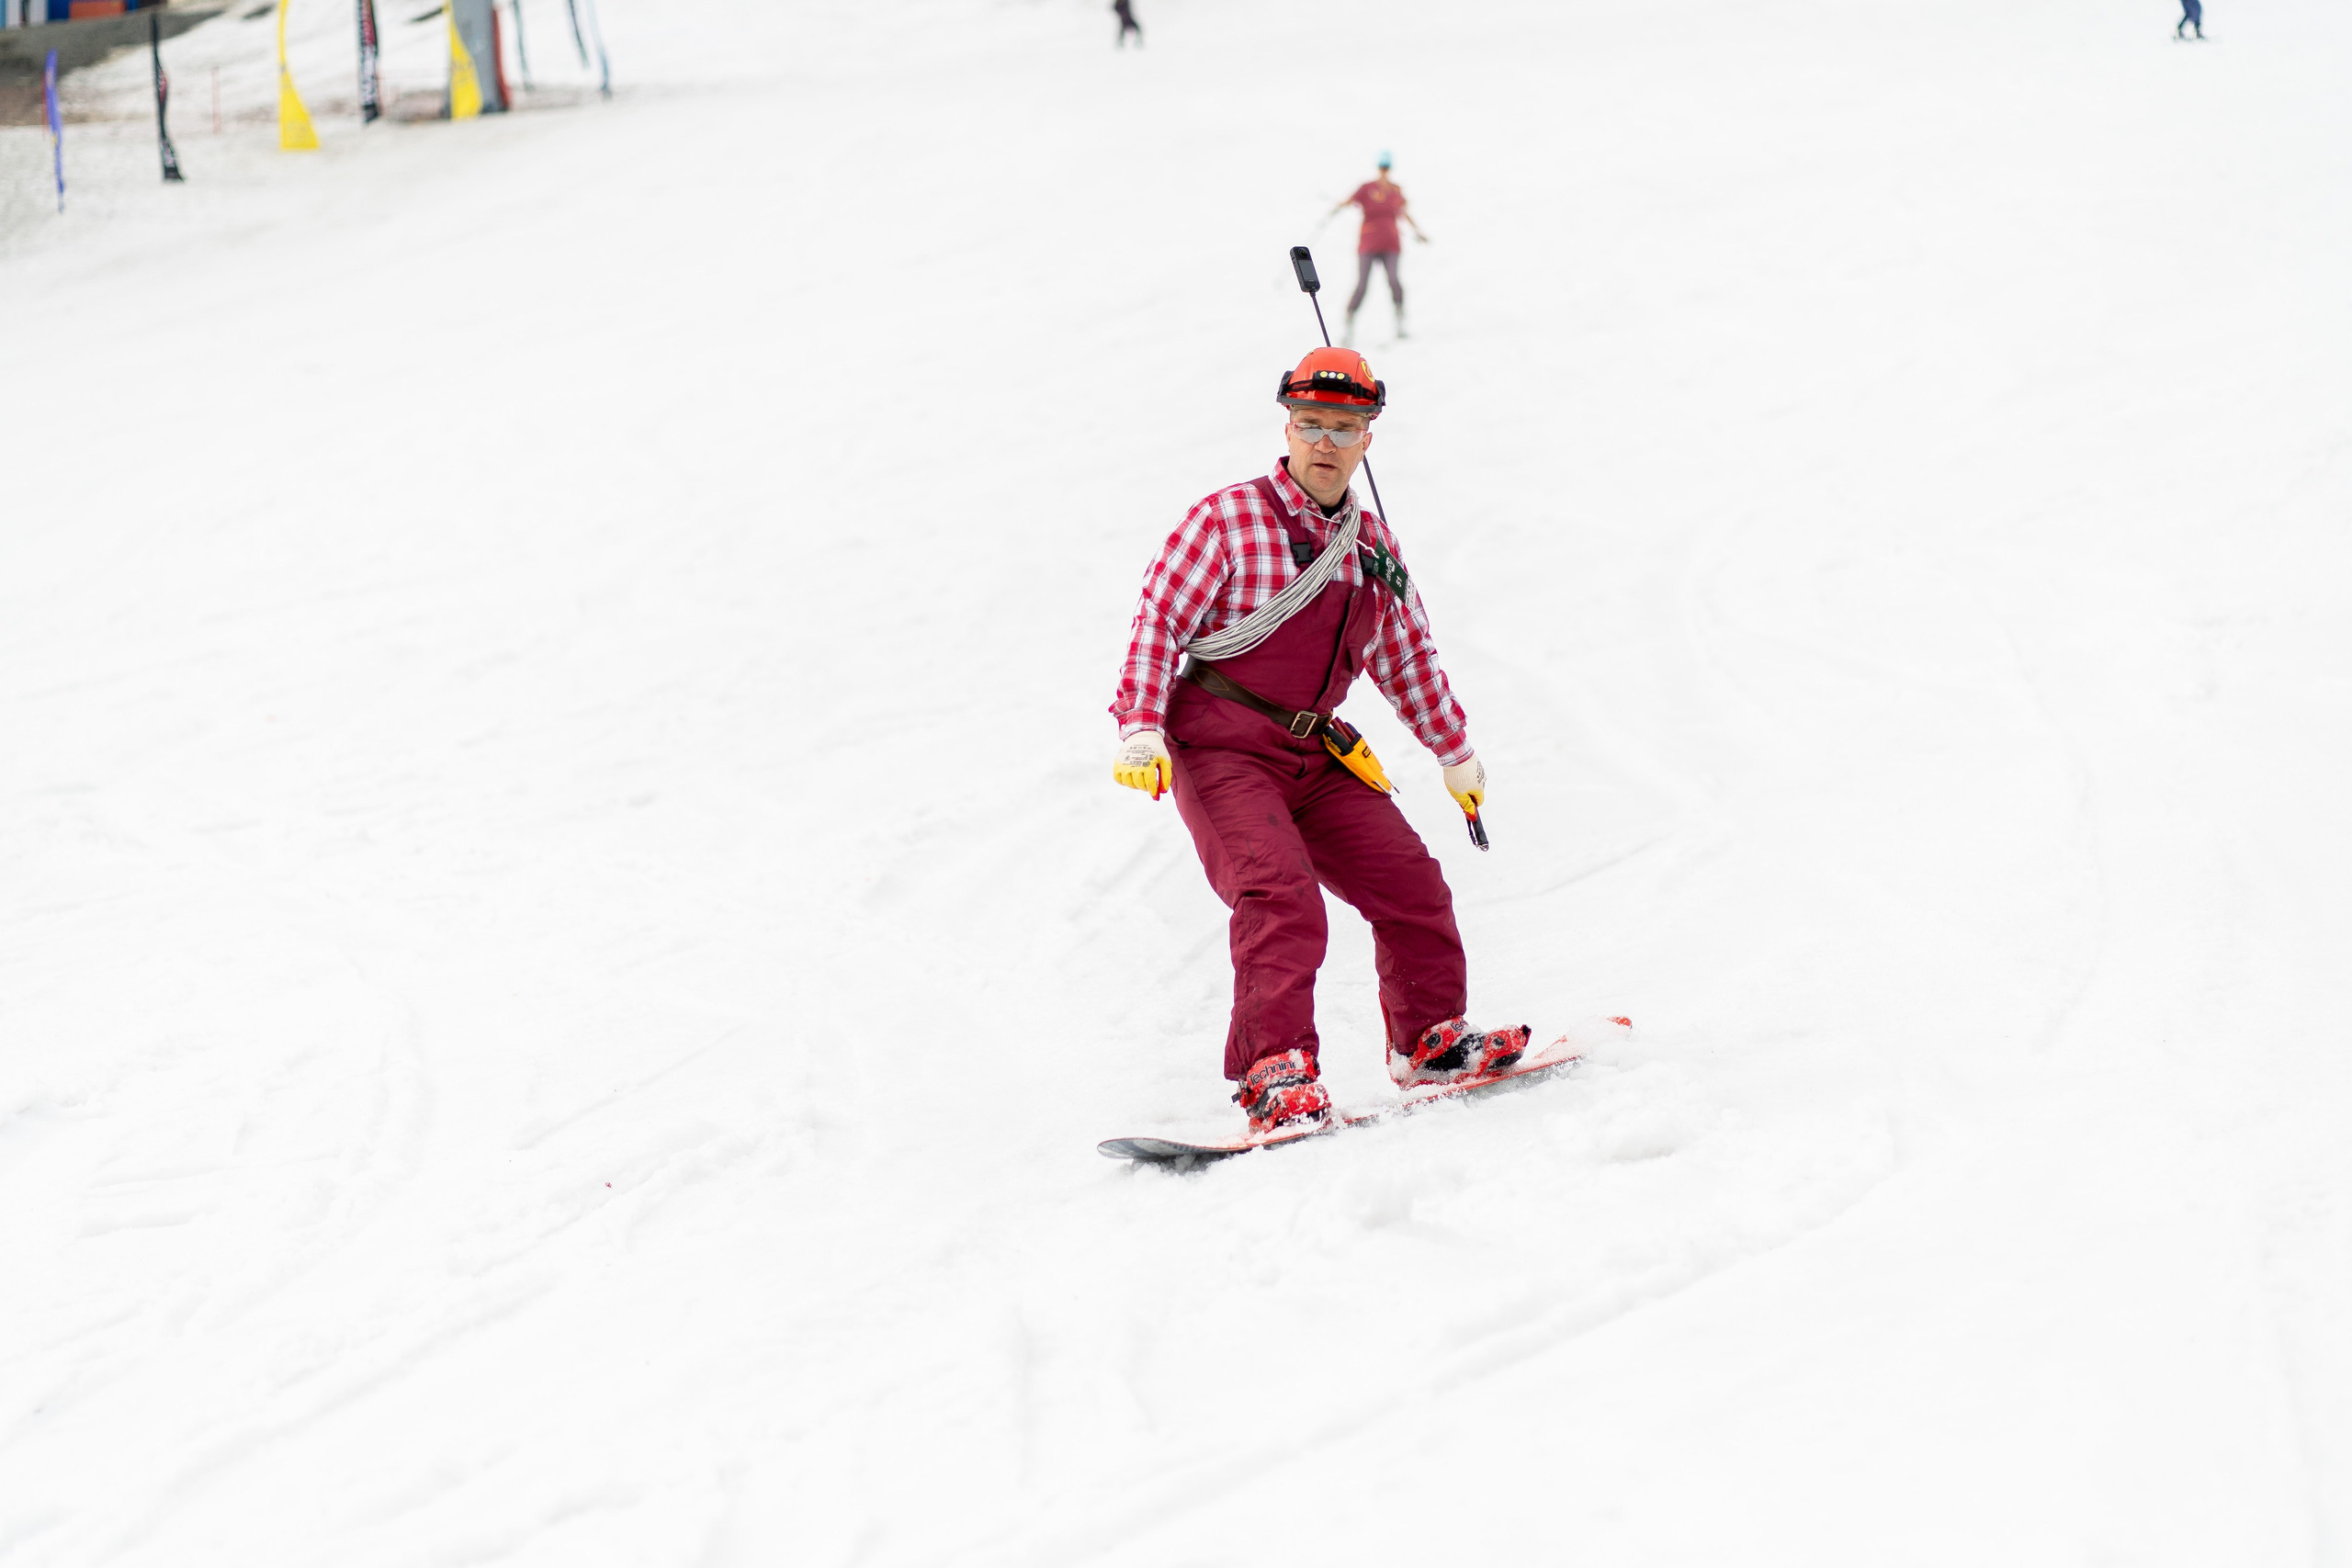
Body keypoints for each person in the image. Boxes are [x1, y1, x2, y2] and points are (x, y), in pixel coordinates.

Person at [1108, 348, 1524, 1136]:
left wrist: (1455, 752)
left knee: (1411, 882)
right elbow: (1158, 621)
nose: (1324, 442)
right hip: (1222, 746)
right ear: (1287, 427)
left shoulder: (1373, 549)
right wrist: (1140, 727)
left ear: (1368, 437)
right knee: (1280, 894)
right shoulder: (1226, 521)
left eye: (1343, 427)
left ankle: (1431, 1042)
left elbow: (1407, 657)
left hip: (1314, 750)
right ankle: (1275, 1073)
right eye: (1310, 424)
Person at [1328, 152, 1428, 344]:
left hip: (1391, 244)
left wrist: (1418, 232)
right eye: (1382, 167)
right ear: (1378, 168)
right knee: (1362, 285)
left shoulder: (1396, 191)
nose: (1384, 171)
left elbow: (1404, 214)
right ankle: (1348, 327)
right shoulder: (1366, 188)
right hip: (1368, 244)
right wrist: (1334, 209)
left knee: (1394, 281)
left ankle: (1400, 324)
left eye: (1387, 168)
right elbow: (1348, 201)